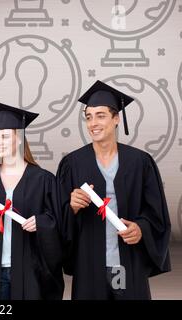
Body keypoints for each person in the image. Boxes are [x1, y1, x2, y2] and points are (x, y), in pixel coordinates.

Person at [56, 80, 171, 299]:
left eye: (100, 115)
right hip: (89, 266)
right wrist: (70, 207)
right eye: (88, 117)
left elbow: (157, 214)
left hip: (126, 264)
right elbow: (56, 219)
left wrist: (141, 228)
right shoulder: (72, 164)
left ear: (116, 118)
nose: (93, 123)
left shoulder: (140, 162)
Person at [0, 102, 64, 300]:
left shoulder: (43, 179)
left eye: (5, 136)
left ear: (19, 138)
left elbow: (59, 223)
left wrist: (42, 222)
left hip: (30, 270)